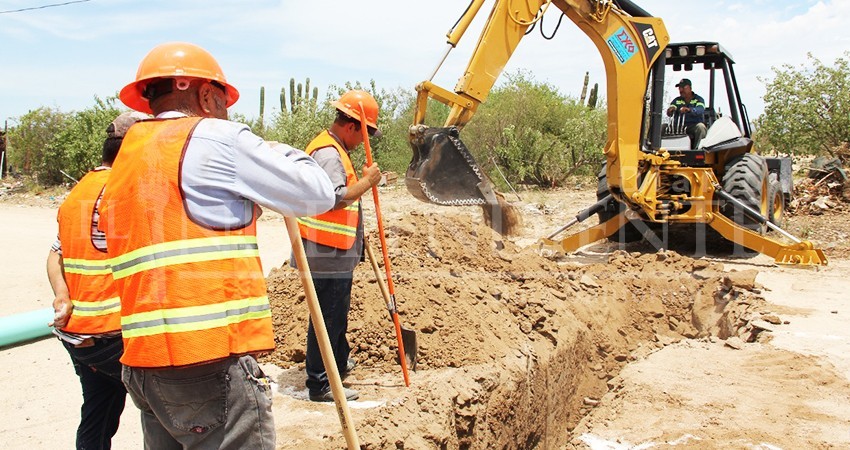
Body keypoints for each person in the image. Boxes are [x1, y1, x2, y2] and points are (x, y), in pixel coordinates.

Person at [99, 42, 336, 449]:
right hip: (207, 363)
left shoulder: (128, 158)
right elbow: (318, 193)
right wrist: (275, 151)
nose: (228, 113)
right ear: (207, 95)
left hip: (143, 364)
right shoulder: (214, 137)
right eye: (225, 102)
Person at [47, 110, 148, 450]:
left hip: (77, 334)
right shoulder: (121, 193)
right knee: (174, 410)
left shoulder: (79, 192)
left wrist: (62, 294)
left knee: (99, 412)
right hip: (112, 334)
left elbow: (54, 255)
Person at [296, 90, 383, 403]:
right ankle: (320, 383)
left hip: (335, 248)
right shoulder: (330, 154)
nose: (364, 141)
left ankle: (339, 360)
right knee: (328, 317)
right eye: (366, 134)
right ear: (352, 127)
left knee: (337, 313)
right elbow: (335, 198)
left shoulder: (332, 148)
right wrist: (368, 181)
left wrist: (359, 234)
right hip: (326, 251)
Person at [666, 78, 707, 148]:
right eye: (679, 88)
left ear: (690, 88)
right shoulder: (676, 100)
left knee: (701, 127)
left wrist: (689, 110)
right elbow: (671, 109)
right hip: (677, 127)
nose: (681, 90)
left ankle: (698, 149)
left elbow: (700, 109)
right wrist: (670, 110)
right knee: (663, 127)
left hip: (692, 126)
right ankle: (656, 149)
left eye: (683, 88)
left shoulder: (698, 99)